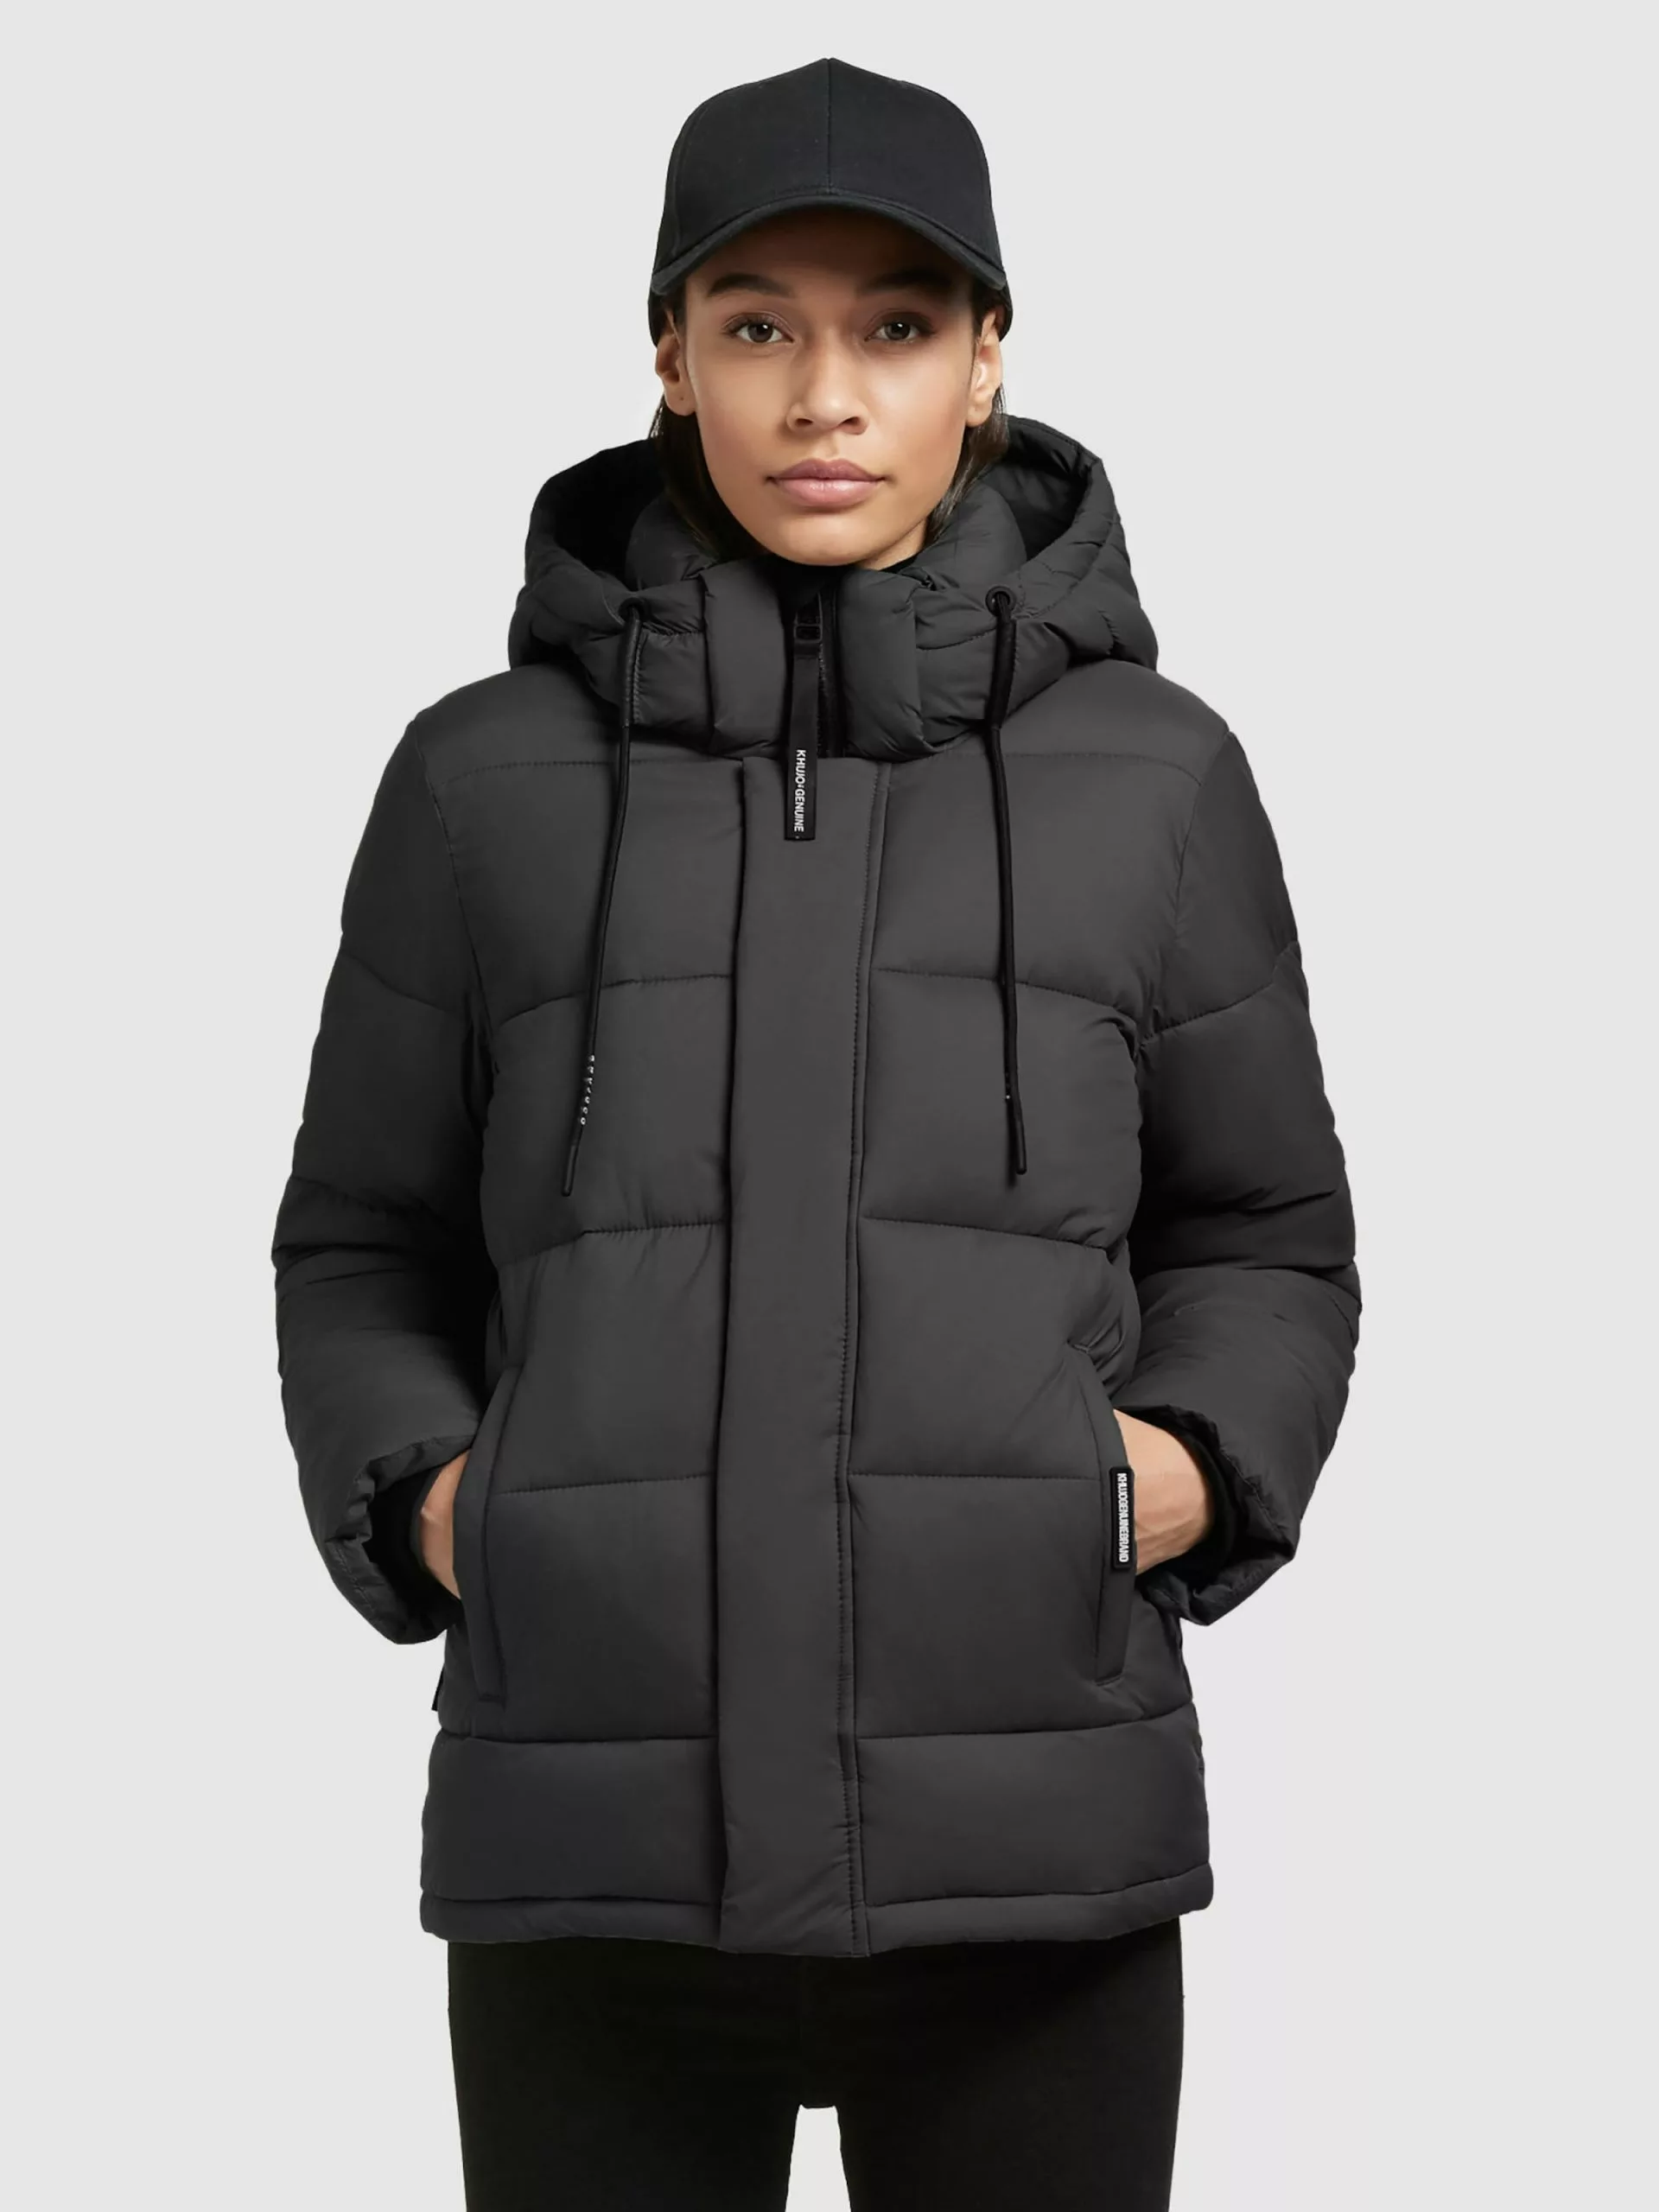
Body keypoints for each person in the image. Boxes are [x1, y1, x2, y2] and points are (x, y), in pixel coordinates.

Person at [271, 54, 1362, 2212]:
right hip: (590, 1854)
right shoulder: (479, 781)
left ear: (988, 360)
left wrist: (1179, 1465)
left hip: (1028, 1850)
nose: (825, 394)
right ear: (670, 356)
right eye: (759, 322)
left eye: (896, 325)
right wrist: (447, 1507)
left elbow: (1264, 1227)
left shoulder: (1156, 775)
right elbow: (363, 1239)